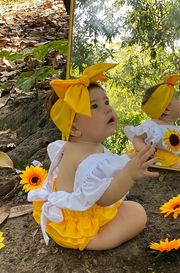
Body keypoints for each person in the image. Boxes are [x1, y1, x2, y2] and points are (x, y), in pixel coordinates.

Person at [27, 63, 159, 251]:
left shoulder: (72, 146)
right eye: (94, 106)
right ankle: (97, 239)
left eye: (106, 102)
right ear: (74, 128)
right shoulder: (89, 161)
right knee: (136, 213)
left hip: (62, 215)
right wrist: (128, 176)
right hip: (80, 228)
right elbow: (104, 199)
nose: (107, 109)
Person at [124, 74, 180, 169]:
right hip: (152, 159)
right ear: (166, 109)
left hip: (169, 161)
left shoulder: (177, 130)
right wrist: (146, 153)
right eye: (177, 98)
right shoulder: (151, 125)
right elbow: (137, 139)